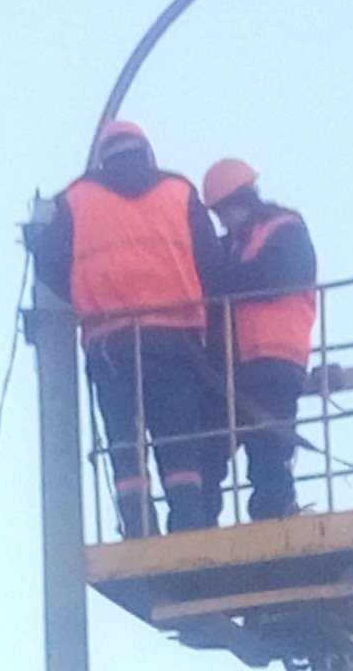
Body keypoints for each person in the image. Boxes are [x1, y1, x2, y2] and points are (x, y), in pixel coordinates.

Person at [30, 122, 222, 536]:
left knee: (124, 443)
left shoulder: (76, 199)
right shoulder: (180, 192)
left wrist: (86, 292)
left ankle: (138, 528)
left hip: (109, 342)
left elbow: (47, 263)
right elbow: (212, 263)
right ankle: (188, 525)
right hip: (176, 339)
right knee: (179, 442)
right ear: (146, 152)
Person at [200, 158, 318, 522]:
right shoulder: (234, 245)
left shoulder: (285, 230)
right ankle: (200, 522)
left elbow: (272, 277)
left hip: (274, 359)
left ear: (244, 198)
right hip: (237, 366)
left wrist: (222, 280)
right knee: (208, 449)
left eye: (226, 210)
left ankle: (274, 515)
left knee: (268, 447)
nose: (224, 218)